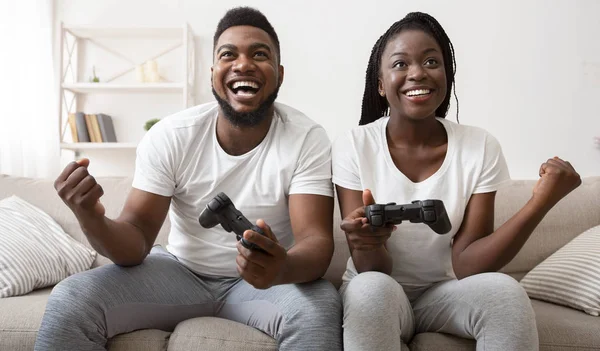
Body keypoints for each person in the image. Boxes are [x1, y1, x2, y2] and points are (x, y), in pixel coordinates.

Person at [35, 7, 342, 351]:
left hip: (265, 283)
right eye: (229, 55)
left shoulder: (306, 139)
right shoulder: (172, 135)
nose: (243, 64)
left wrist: (281, 268)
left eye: (259, 54)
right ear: (213, 74)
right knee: (70, 298)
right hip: (180, 274)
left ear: (280, 74)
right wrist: (90, 216)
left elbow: (315, 243)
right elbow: (134, 241)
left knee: (319, 309)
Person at [332, 11, 582, 351]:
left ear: (447, 75)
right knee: (371, 288)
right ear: (380, 83)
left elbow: (467, 264)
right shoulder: (353, 145)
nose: (417, 73)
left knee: (505, 291)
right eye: (400, 64)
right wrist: (366, 243)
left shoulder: (480, 146)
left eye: (431, 61)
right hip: (379, 285)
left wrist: (541, 202)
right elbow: (372, 268)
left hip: (446, 293)